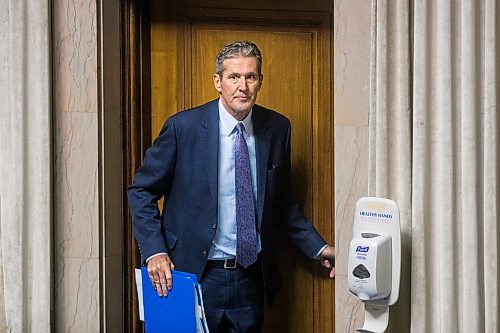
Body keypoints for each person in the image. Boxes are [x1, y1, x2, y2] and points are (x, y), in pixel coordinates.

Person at [128, 40, 335, 333]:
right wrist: (155, 251)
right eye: (234, 77)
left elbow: (280, 203)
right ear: (218, 81)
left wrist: (319, 248)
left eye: (250, 77)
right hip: (190, 275)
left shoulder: (277, 129)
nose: (243, 86)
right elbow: (141, 191)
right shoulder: (183, 128)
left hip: (250, 278)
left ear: (260, 81)